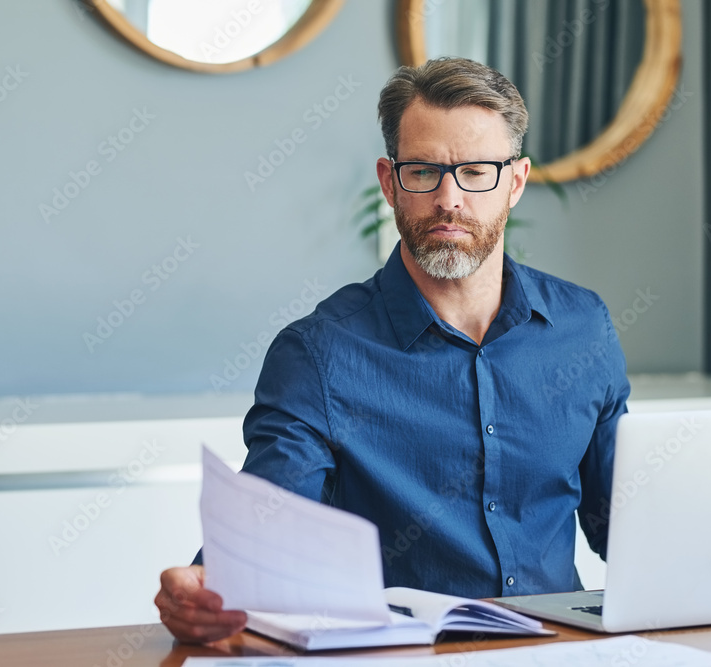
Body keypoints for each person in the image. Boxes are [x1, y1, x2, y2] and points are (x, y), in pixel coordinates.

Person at [155, 57, 630, 644]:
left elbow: (626, 531)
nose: (449, 199)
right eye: (424, 172)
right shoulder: (318, 354)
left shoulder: (583, 328)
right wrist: (203, 587)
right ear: (389, 181)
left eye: (476, 171)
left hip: (564, 652)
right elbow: (263, 535)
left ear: (515, 181)